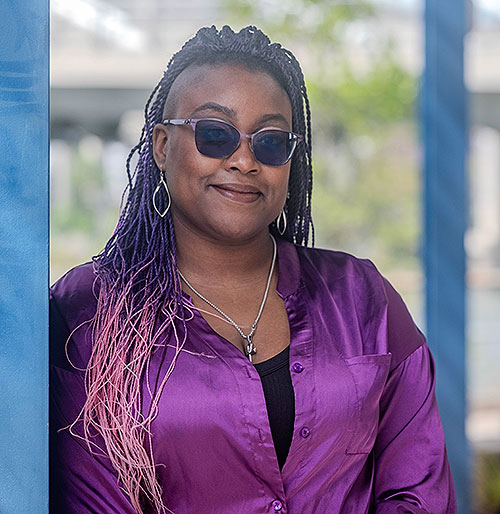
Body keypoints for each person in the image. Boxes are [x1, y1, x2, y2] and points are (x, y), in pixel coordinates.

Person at [49, 25, 456, 514]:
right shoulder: (91, 312)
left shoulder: (363, 297)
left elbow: (418, 491)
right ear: (161, 146)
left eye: (270, 143)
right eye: (214, 135)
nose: (243, 160)